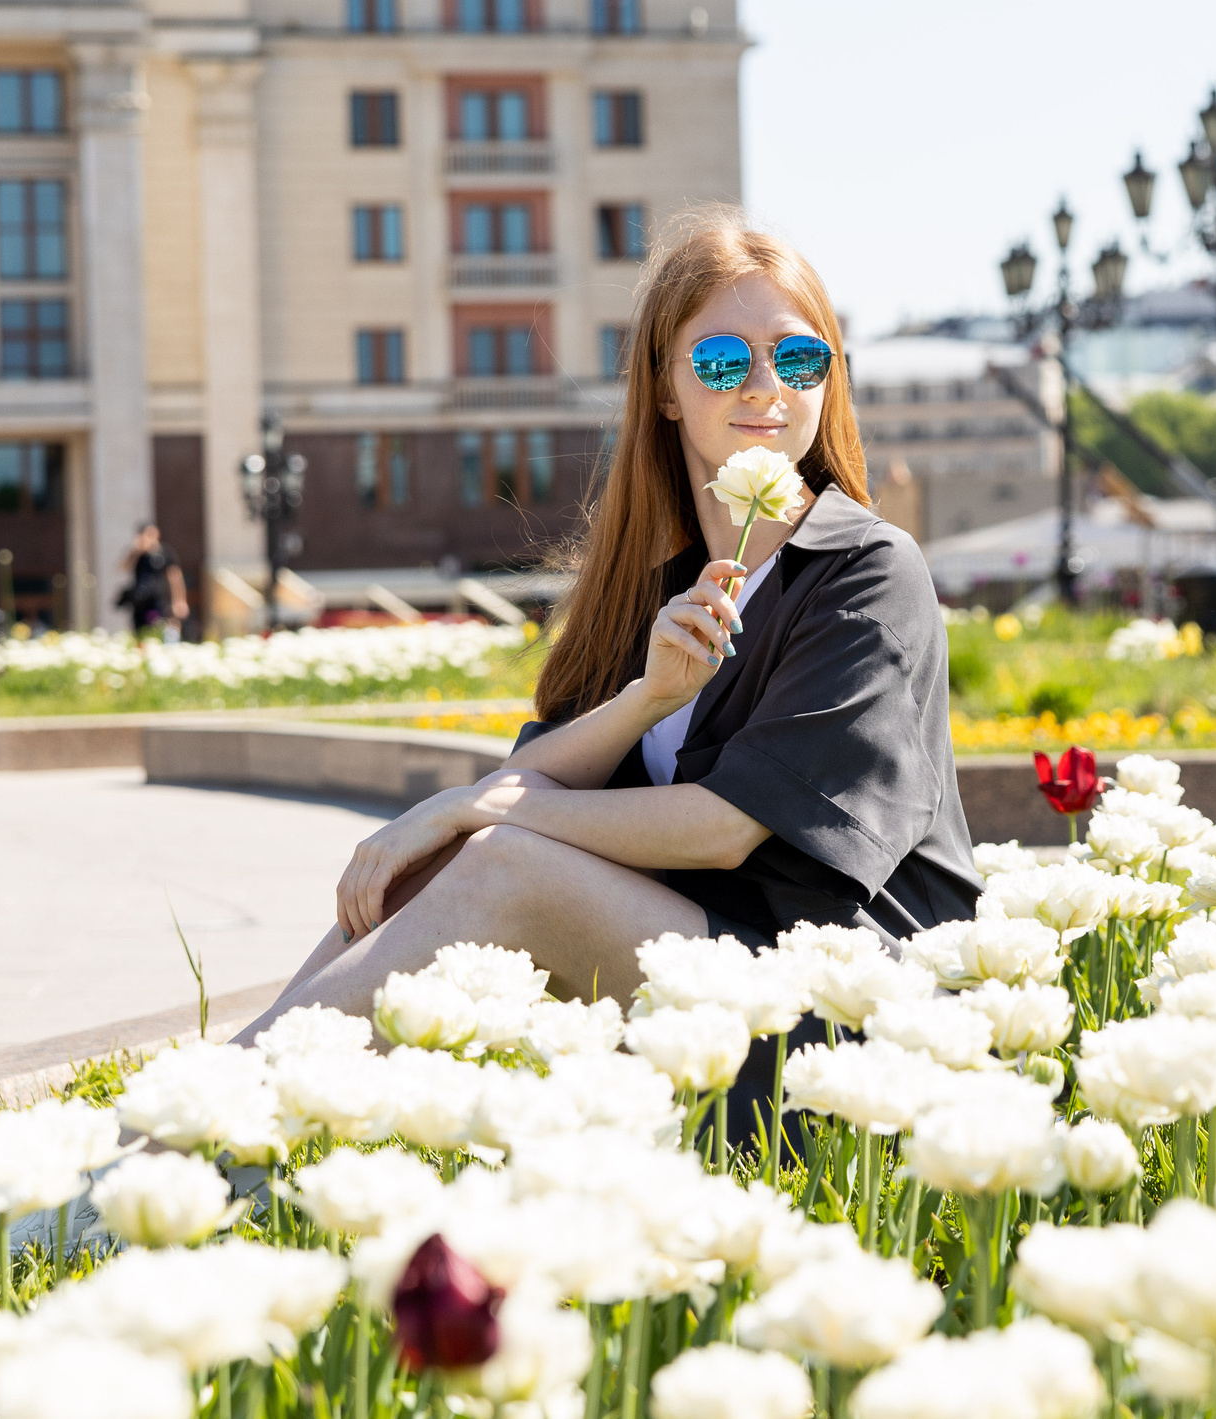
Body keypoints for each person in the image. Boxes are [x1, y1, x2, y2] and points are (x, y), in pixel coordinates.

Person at [239, 207, 981, 1037]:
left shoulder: (867, 569)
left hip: (854, 1014)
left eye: (799, 357)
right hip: (703, 976)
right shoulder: (663, 590)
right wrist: (646, 698)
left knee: (500, 856)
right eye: (723, 358)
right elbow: (544, 781)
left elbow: (726, 827)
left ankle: (225, 1116)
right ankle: (232, 1097)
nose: (766, 386)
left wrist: (469, 809)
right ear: (665, 388)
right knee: (461, 851)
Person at [117, 522, 187, 641]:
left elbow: (175, 578)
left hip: (159, 600)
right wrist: (136, 550)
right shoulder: (137, 554)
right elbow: (123, 568)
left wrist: (179, 600)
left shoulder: (165, 552)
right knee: (140, 634)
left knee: (160, 631)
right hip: (140, 600)